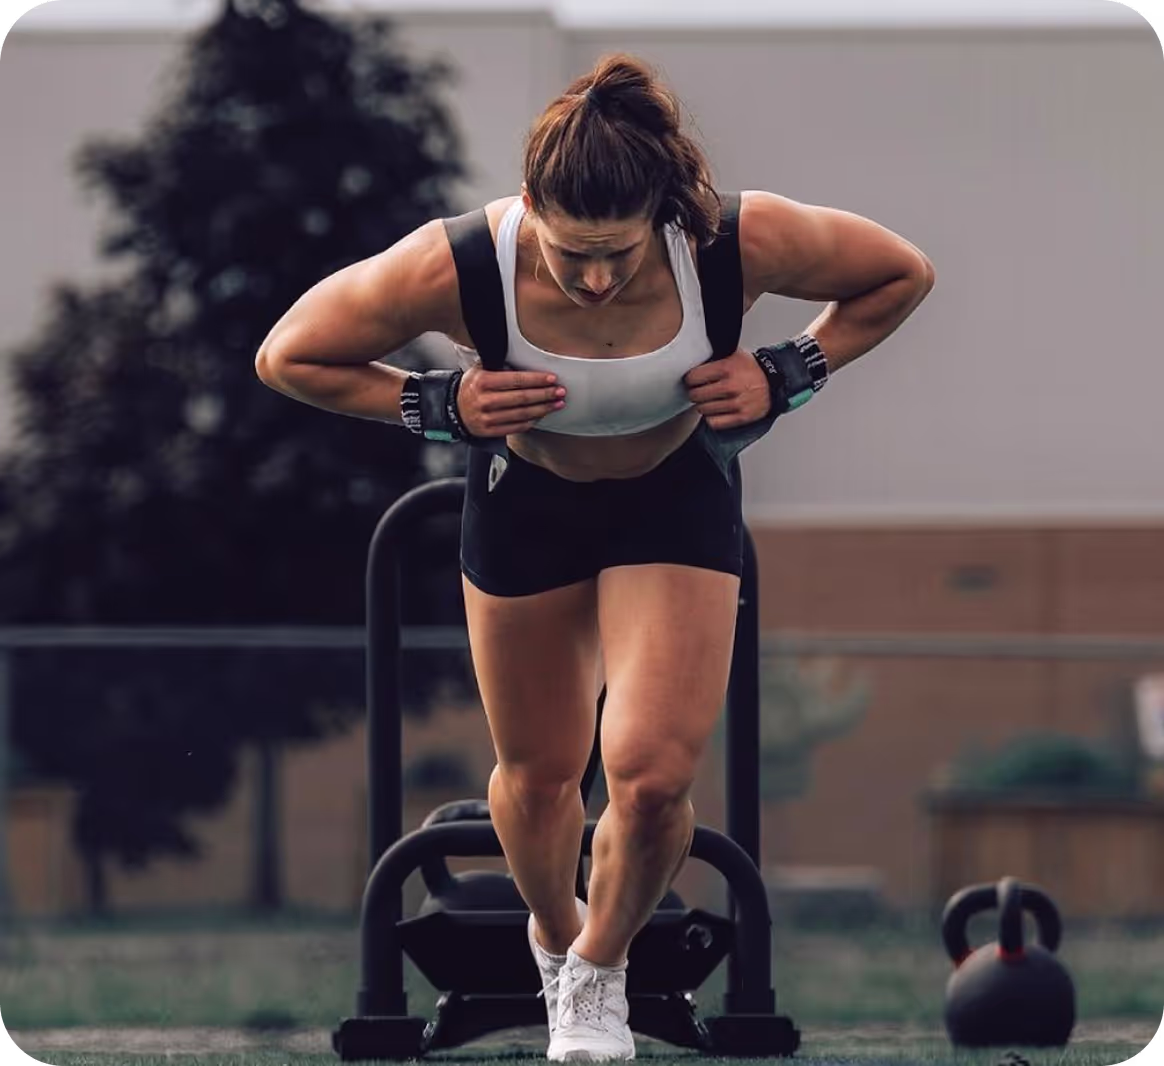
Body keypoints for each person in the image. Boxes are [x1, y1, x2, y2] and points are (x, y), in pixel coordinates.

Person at [257, 53, 933, 1062]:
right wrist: (430, 401)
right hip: (526, 503)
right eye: (574, 253)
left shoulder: (736, 239)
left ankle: (597, 971)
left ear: (664, 211)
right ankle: (558, 938)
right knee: (539, 779)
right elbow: (290, 353)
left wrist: (790, 368)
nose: (598, 276)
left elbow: (899, 273)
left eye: (620, 253)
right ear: (532, 204)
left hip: (674, 503)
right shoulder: (461, 264)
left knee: (652, 775)